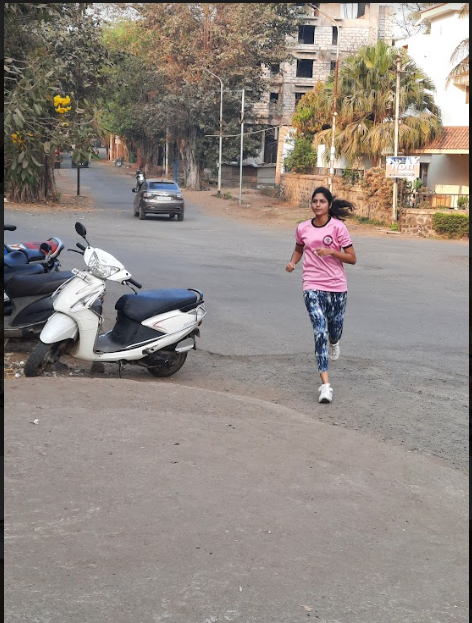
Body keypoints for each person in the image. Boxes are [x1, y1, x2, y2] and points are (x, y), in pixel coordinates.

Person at [286, 186, 357, 404]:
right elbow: (299, 248)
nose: (317, 205)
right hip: (312, 284)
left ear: (329, 204)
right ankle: (325, 386)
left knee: (334, 330)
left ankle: (335, 341)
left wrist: (332, 252)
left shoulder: (338, 228)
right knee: (319, 331)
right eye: (314, 201)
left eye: (322, 201)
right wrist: (293, 262)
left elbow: (352, 258)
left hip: (336, 286)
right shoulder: (303, 228)